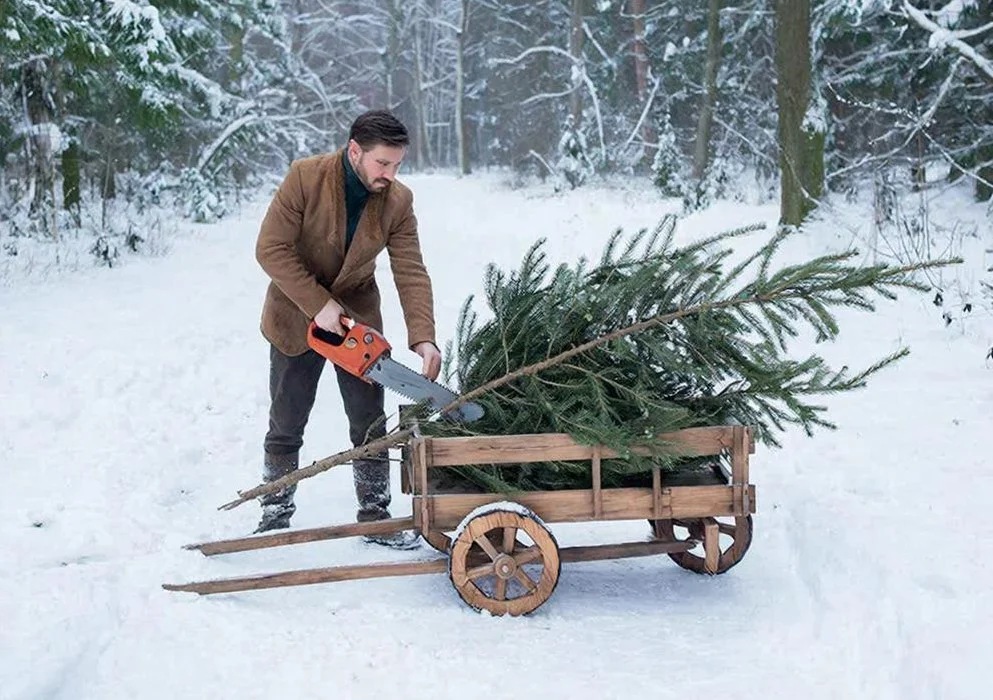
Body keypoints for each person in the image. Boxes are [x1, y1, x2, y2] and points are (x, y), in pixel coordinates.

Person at [253, 109, 440, 548]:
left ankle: (374, 515)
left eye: (397, 165)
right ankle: (275, 513)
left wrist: (423, 336)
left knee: (369, 422)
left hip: (357, 318)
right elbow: (270, 248)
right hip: (294, 311)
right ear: (355, 151)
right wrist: (318, 306)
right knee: (287, 419)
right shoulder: (305, 177)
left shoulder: (398, 201)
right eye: (382, 163)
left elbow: (410, 270)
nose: (390, 174)